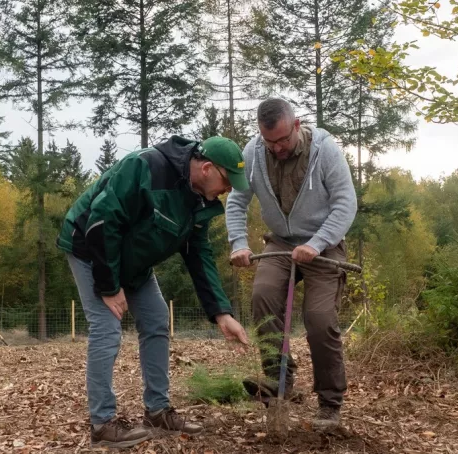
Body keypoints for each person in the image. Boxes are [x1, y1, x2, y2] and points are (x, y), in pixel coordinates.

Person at [56, 135, 250, 449]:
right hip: (91, 248)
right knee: (106, 327)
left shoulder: (199, 200)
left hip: (133, 259)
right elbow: (102, 221)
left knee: (157, 319)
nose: (228, 190)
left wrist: (221, 313)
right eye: (227, 181)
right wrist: (109, 286)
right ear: (207, 169)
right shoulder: (145, 167)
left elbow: (198, 255)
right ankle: (102, 424)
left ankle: (157, 411)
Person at [226, 98, 357, 431]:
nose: (277, 147)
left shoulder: (325, 150)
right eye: (269, 141)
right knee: (263, 296)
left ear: (297, 125)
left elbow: (345, 203)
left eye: (283, 139)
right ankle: (278, 380)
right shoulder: (254, 153)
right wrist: (239, 243)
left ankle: (329, 403)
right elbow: (237, 201)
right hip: (281, 244)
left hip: (324, 244)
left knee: (319, 319)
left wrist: (316, 243)